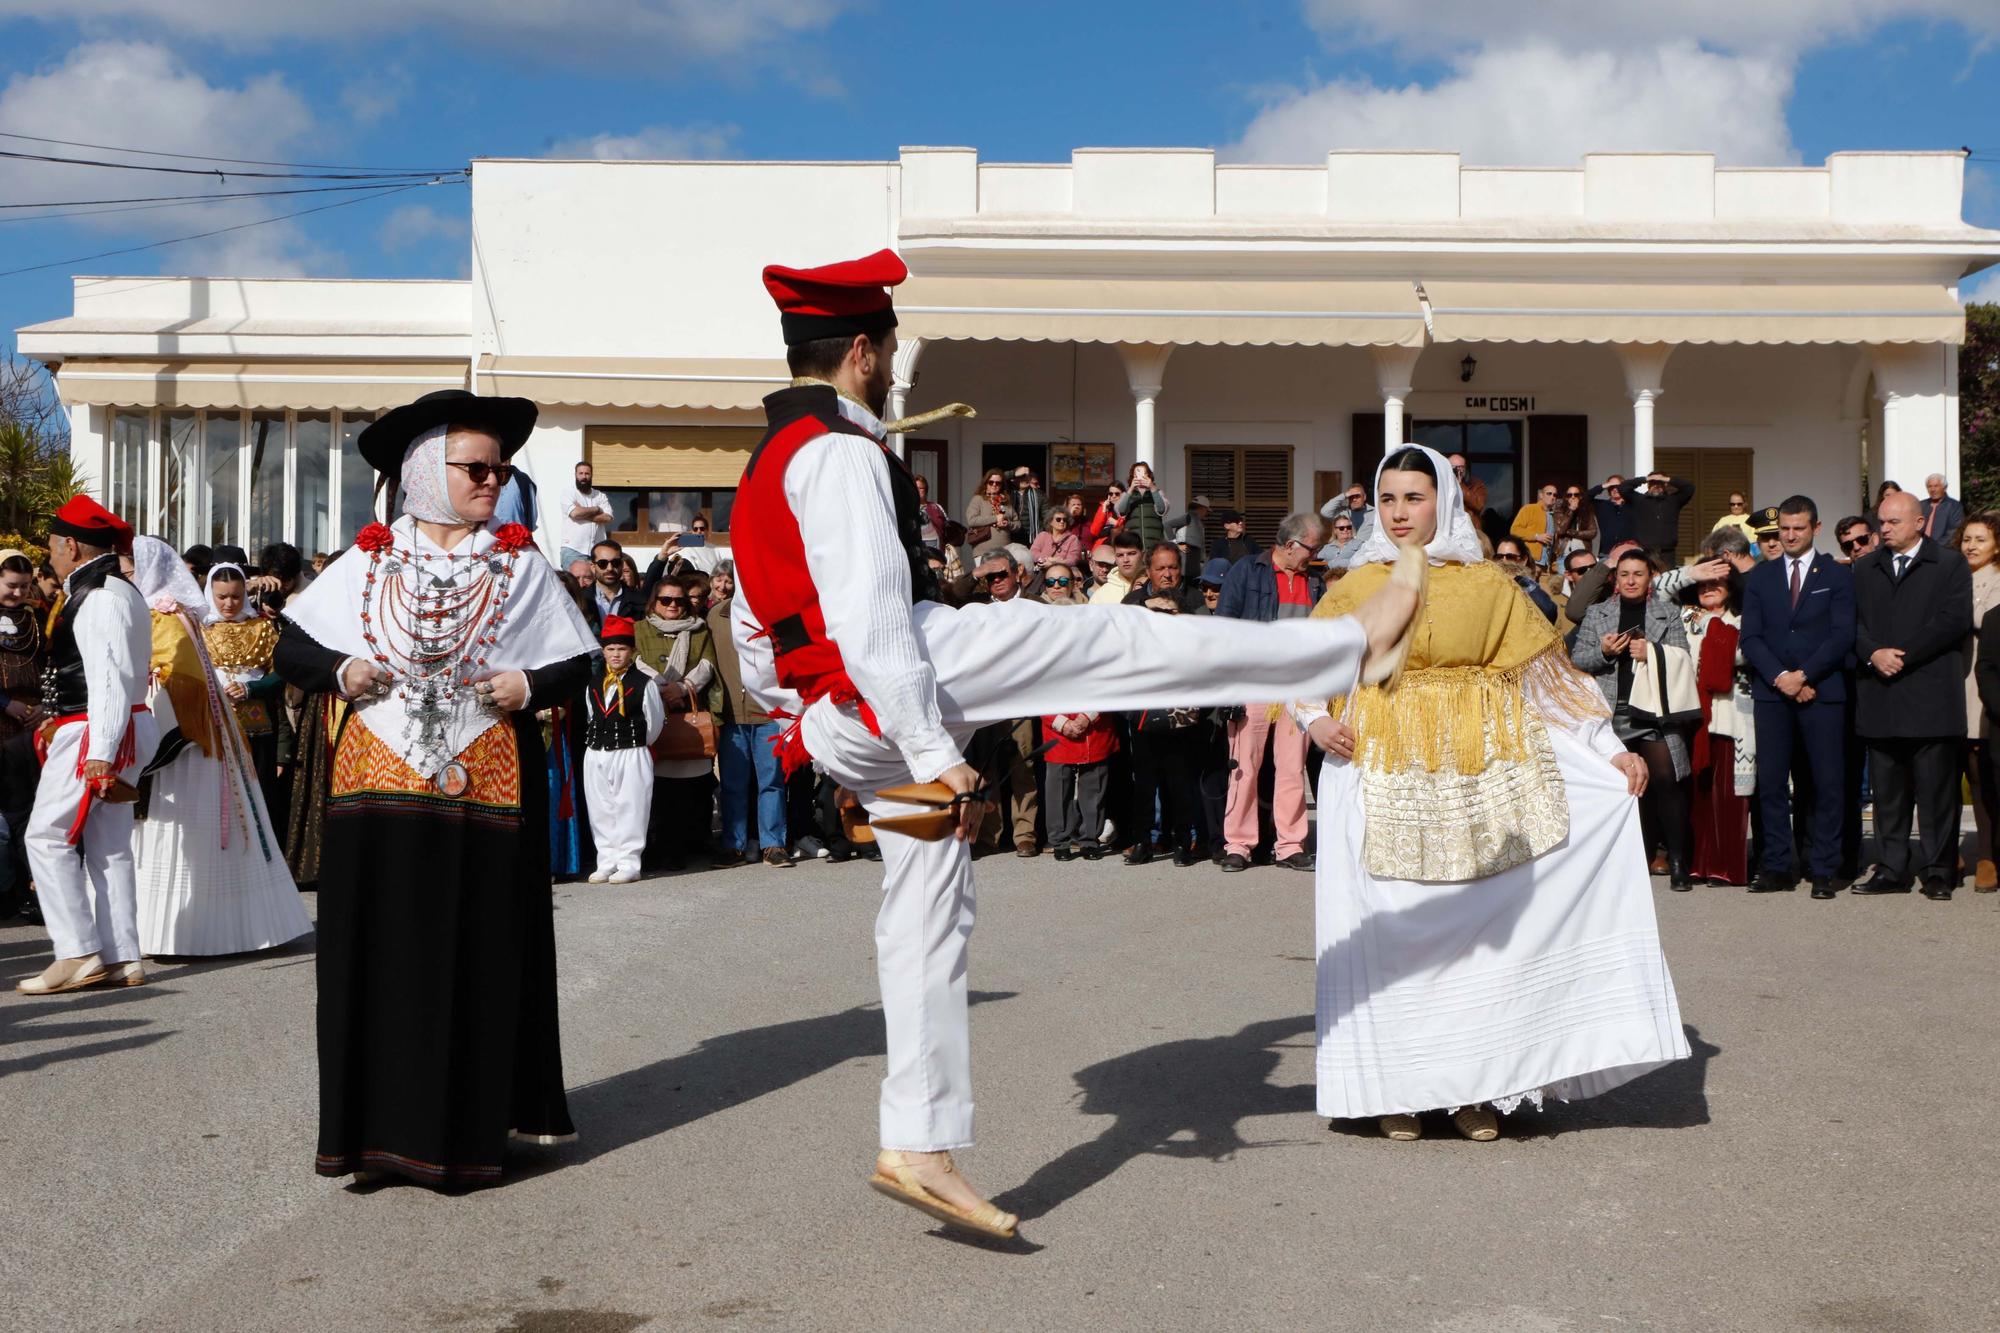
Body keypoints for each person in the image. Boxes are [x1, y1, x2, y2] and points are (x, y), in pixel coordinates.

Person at [729, 247, 1416, 1238]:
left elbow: (762, 640)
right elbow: (875, 626)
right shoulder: (835, 452)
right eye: (888, 348)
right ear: (868, 353)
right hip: (895, 690)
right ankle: (1342, 643)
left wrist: (823, 728)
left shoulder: (765, 460)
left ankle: (916, 1142)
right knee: (1110, 636)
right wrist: (926, 747)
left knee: (926, 921)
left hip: (836, 714)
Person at [1298, 445, 1687, 1142]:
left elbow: (1550, 685)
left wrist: (1612, 749)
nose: (1400, 511)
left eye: (1414, 497)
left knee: (1479, 935)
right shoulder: (1355, 586)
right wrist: (1317, 717)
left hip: (1482, 775)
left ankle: (1479, 1086)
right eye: (1389, 499)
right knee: (1397, 934)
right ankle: (1399, 1089)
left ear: (1444, 501)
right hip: (1381, 770)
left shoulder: (1489, 584)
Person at [273, 388, 596, 1188]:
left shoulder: (519, 567)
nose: (493, 480)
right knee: (376, 954)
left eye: (501, 469)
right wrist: (341, 668)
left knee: (479, 953)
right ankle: (373, 1137)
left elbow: (581, 661)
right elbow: (292, 647)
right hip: (376, 790)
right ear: (424, 471)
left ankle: (471, 1133)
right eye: (476, 467)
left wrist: (531, 683)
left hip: (484, 788)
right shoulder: (368, 561)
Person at [128, 537, 310, 957]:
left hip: (186, 735)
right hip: (196, 728)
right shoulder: (182, 616)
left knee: (189, 823)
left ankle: (193, 928)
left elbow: (176, 678)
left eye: (132, 570)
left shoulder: (167, 618)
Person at [15, 498, 161, 995]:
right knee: (109, 847)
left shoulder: (99, 596)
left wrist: (101, 749)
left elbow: (109, 679)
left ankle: (75, 951)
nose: (51, 558)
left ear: (71, 546)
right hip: (112, 727)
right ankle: (121, 955)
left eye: (54, 548)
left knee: (47, 837)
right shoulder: (115, 590)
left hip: (95, 730)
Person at [1850, 489, 1973, 900]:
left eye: (1892, 522)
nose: (1882, 529)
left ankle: (1939, 871)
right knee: (1888, 794)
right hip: (1881, 694)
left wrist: (1902, 654)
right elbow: (1851, 623)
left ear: (1920, 523)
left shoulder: (1950, 564)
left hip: (1930, 695)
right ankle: (1891, 868)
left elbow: (1952, 620)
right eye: (1881, 522)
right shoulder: (1865, 568)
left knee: (1937, 791)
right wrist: (1873, 653)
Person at [1739, 495, 1854, 899]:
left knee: (1826, 783)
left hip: (1822, 692)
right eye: (1783, 529)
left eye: (1798, 529)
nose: (1789, 536)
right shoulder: (1761, 577)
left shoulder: (1837, 576)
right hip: (1773, 696)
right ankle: (1776, 866)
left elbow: (1842, 634)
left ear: (1815, 529)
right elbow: (1750, 637)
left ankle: (1823, 867)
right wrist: (1781, 677)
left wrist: (1804, 675)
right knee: (1771, 783)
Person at [1573, 549, 1695, 889]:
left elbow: (1684, 657)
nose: (1630, 580)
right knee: (1622, 787)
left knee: (1667, 780)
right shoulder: (1598, 613)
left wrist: (1652, 652)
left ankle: (1676, 859)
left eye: (1638, 574)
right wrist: (1604, 652)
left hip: (1654, 710)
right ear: (1615, 578)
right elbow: (1578, 659)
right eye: (1624, 573)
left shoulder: (1668, 612)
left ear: (1649, 578)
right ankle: (1628, 862)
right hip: (1612, 712)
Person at [1214, 512, 1326, 873]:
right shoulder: (1247, 570)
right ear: (1291, 545)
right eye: (1313, 547)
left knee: (1292, 770)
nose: (1316, 554)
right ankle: (1238, 845)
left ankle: (1290, 845)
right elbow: (1225, 628)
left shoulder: (1315, 582)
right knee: (1244, 769)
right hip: (1255, 684)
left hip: (1300, 689)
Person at [1122, 544, 1208, 865]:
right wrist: (1147, 605)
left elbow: (1204, 635)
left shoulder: (1195, 599)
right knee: (1144, 780)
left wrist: (1177, 608)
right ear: (1149, 572)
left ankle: (1185, 842)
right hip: (1143, 701)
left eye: (1173, 567)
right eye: (1161, 569)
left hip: (1180, 702)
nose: (1168, 574)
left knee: (1180, 777)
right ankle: (1142, 841)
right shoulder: (1133, 601)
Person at [633, 573, 721, 872]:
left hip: (687, 715)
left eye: (679, 600)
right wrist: (661, 685)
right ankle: (657, 847)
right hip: (655, 713)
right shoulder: (640, 628)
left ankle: (685, 846)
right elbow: (635, 660)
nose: (672, 605)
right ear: (654, 601)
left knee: (689, 790)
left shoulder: (699, 630)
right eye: (665, 599)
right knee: (657, 790)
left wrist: (681, 688)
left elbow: (707, 665)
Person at [709, 576, 789, 869]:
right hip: (732, 714)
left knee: (772, 782)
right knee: (732, 785)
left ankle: (773, 844)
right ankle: (734, 844)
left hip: (769, 712)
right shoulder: (717, 615)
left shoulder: (778, 611)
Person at [581, 616, 667, 884]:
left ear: (632, 651)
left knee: (631, 806)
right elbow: (590, 715)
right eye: (610, 649)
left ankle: (629, 862)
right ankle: (606, 860)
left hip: (631, 751)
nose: (616, 654)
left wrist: (636, 744)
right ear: (603, 651)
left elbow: (653, 722)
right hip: (596, 752)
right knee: (601, 808)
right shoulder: (594, 683)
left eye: (621, 649)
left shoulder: (644, 683)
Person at [203, 562, 291, 822]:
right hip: (213, 723)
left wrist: (251, 688)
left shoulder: (261, 628)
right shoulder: (200, 629)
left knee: (257, 795)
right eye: (222, 597)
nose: (229, 603)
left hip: (255, 726)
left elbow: (281, 673)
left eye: (235, 596)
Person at [1687, 575, 1752, 887]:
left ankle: (1726, 866)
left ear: (1730, 591)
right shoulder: (1685, 621)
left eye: (1716, 584)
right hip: (1694, 718)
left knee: (1728, 797)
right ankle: (1698, 863)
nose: (1708, 589)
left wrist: (1713, 625)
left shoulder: (1739, 622)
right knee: (1698, 797)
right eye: (1702, 585)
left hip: (1730, 717)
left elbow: (1741, 656)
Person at [1956, 513, 2000, 892]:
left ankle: (1986, 854)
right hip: (1948, 680)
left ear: (1996, 545)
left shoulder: (1997, 581)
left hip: (1980, 682)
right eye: (1966, 538)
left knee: (1980, 770)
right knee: (1943, 771)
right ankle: (1946, 851)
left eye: (1980, 539)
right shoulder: (1954, 577)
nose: (1970, 545)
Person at [0, 550, 43, 920]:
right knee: (9, 813)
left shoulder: (36, 618)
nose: (18, 593)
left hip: (33, 725)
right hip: (3, 721)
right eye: (11, 585)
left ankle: (33, 890)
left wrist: (44, 707)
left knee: (33, 811)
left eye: (24, 587)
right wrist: (4, 704)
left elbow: (50, 664)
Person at [1621, 472, 1697, 558]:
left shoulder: (1674, 500)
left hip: (1667, 553)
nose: (1656, 486)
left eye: (1659, 483)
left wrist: (1666, 479)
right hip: (1644, 552)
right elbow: (1623, 487)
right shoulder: (1639, 500)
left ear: (1665, 485)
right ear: (1648, 485)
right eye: (1653, 483)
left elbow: (1689, 488)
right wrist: (1645, 479)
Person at [559, 461, 615, 570]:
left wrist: (583, 513)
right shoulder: (568, 493)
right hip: (573, 550)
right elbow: (575, 513)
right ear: (575, 475)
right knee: (573, 586)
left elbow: (608, 517)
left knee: (594, 586)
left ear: (591, 475)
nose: (584, 477)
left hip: (597, 552)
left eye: (587, 474)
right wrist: (596, 509)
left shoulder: (600, 496)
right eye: (581, 473)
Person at [583, 539, 644, 632]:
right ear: (592, 567)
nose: (610, 568)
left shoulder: (639, 600)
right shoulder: (581, 601)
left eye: (615, 563)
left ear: (621, 565)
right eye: (602, 563)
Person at [1493, 536, 1559, 623]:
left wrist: (1520, 580)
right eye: (1499, 557)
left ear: (1523, 560)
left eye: (1510, 557)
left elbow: (1549, 611)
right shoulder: (1490, 580)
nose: (1504, 561)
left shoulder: (1527, 585)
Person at [1114, 461, 1170, 549]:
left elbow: (1162, 509)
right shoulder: (1127, 494)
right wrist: (1131, 489)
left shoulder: (1157, 492)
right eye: (1136, 475)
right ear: (1132, 477)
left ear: (1149, 476)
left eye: (1144, 474)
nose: (1140, 478)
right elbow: (1121, 511)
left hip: (1154, 544)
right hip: (1133, 544)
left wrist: (1152, 487)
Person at [963, 470, 1013, 560]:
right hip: (983, 551)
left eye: (998, 483)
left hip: (1005, 550)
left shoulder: (1005, 501)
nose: (994, 485)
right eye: (991, 482)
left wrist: (1008, 523)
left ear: (1002, 485)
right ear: (986, 483)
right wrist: (995, 518)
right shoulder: (978, 499)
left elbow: (1018, 523)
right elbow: (972, 520)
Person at [1089, 529, 1145, 605]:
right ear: (1115, 558)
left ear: (1142, 555)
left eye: (1131, 554)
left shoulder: (1155, 585)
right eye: (1120, 555)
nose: (1125, 560)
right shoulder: (1100, 597)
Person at [1509, 482, 1559, 568]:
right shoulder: (1529, 509)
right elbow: (1514, 530)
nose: (1552, 497)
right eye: (1549, 493)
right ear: (1541, 495)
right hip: (1530, 563)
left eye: (1555, 495)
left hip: (1547, 566)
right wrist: (1537, 536)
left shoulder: (1554, 516)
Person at [1164, 493, 1212, 570]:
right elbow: (1167, 525)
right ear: (1201, 508)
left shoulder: (1198, 523)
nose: (1206, 513)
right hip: (1184, 563)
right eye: (1206, 510)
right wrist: (1176, 543)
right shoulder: (1188, 517)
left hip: (1194, 563)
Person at [1591, 474, 1636, 553]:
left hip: (1628, 552)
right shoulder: (1601, 505)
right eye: (1611, 487)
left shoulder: (1632, 505)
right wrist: (1603, 486)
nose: (1614, 489)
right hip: (1606, 552)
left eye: (1617, 486)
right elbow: (1585, 497)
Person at [1028, 508, 1082, 572]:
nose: (1062, 521)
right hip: (1042, 572)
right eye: (1058, 519)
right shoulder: (1042, 535)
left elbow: (1073, 560)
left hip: (1062, 573)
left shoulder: (1072, 539)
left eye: (1064, 520)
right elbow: (1033, 553)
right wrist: (1046, 560)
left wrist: (1054, 563)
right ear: (1051, 522)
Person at [1554, 483, 1598, 559]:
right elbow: (1560, 530)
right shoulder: (1559, 511)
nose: (1573, 497)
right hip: (1564, 554)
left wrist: (1575, 533)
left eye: (1576, 495)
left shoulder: (1587, 511)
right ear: (1566, 498)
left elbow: (1593, 532)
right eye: (1569, 495)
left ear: (1580, 497)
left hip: (1583, 554)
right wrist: (1571, 510)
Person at [1920, 473, 1965, 545]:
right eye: (1929, 486)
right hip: (1921, 548)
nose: (1932, 489)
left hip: (1942, 549)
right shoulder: (1921, 505)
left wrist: (1935, 547)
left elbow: (1954, 531)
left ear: (1945, 488)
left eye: (1936, 486)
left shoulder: (1954, 506)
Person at [1008, 466, 1044, 545]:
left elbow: (1047, 517)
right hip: (1010, 537)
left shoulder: (1039, 495)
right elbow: (997, 476)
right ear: (1013, 478)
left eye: (1028, 476)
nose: (1026, 478)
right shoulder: (1007, 493)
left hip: (1032, 539)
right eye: (1022, 476)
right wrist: (1013, 473)